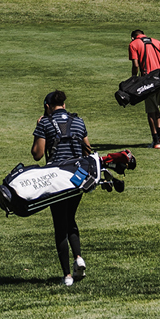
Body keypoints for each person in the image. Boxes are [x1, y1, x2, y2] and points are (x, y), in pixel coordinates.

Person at [31, 90, 92, 287]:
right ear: (64, 105)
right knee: (71, 218)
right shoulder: (79, 122)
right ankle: (79, 257)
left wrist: (39, 127)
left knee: (60, 225)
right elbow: (87, 150)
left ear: (47, 107)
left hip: (57, 178)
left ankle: (67, 275)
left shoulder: (45, 123)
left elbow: (37, 155)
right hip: (77, 177)